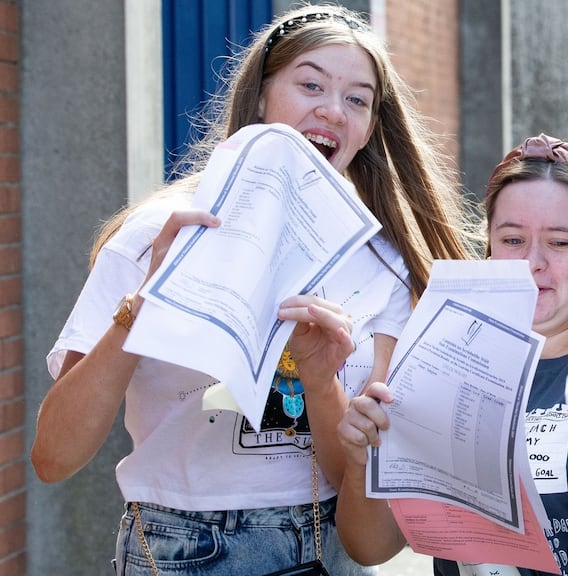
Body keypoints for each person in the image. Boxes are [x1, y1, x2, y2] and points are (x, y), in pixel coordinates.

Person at [31, 5, 474, 575]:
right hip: (178, 548)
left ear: (368, 129)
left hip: (323, 548)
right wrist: (145, 303)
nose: (332, 110)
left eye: (357, 99)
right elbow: (54, 457)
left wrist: (319, 380)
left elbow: (354, 478)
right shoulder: (158, 234)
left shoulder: (383, 265)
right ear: (261, 98)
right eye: (310, 84)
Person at [335, 133, 568, 575]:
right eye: (512, 240)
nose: (532, 262)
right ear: (489, 242)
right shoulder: (434, 355)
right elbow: (371, 548)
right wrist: (359, 458)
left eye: (560, 243)